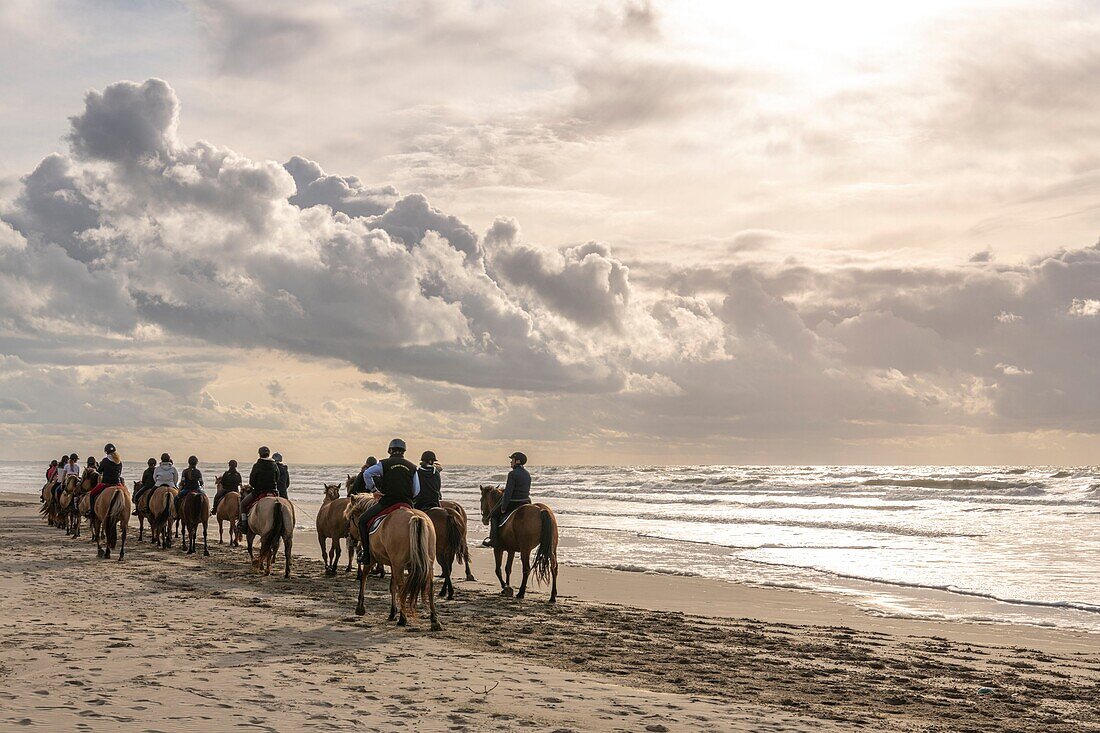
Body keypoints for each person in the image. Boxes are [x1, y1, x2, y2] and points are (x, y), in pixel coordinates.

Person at [355, 439, 420, 566]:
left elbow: (367, 474)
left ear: (390, 450)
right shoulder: (412, 467)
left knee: (362, 521)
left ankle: (367, 556)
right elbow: (417, 490)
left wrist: (373, 490)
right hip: (407, 503)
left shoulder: (383, 464)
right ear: (404, 452)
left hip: (388, 502)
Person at [482, 451, 531, 548]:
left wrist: (504, 507)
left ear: (517, 461)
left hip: (514, 502)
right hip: (526, 501)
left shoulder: (512, 474)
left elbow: (508, 493)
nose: (510, 462)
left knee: (494, 515)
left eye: (512, 460)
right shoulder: (527, 474)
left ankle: (493, 540)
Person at [241, 446, 279, 533]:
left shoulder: (257, 465)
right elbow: (278, 478)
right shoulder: (274, 465)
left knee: (242, 504)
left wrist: (256, 485)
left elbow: (252, 481)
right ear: (268, 454)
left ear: (259, 454)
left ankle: (243, 525)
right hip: (273, 491)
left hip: (259, 491)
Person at [85, 444, 123, 515]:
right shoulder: (119, 461)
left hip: (106, 483)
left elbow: (99, 471)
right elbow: (119, 474)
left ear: (106, 452)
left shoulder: (105, 460)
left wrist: (96, 467)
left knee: (92, 494)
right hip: (117, 483)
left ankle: (92, 512)